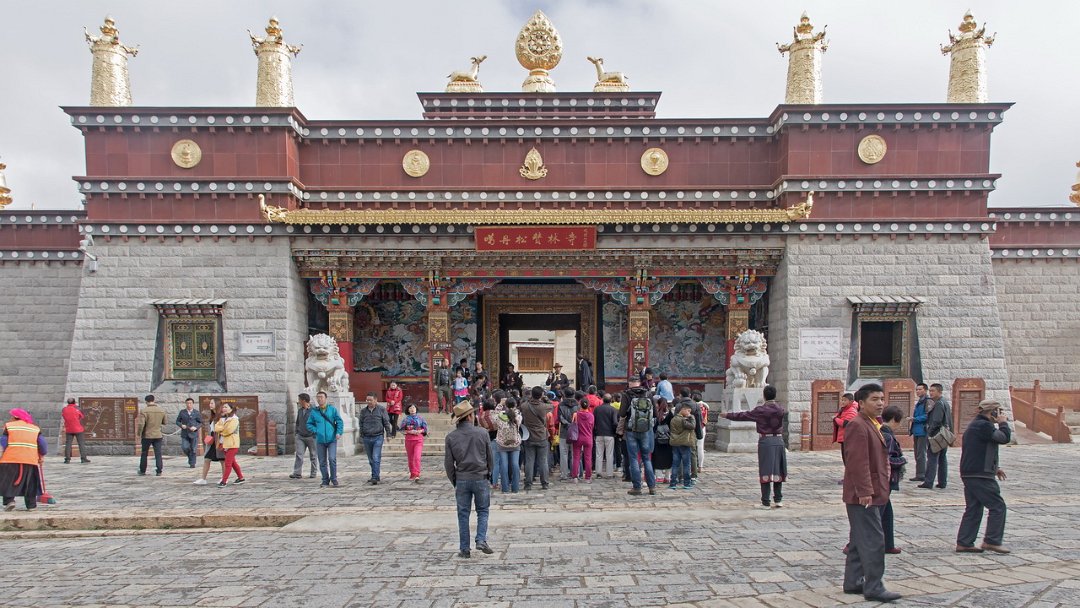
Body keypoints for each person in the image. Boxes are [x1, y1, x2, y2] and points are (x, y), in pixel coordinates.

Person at [841, 383, 901, 603]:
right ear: (862, 403)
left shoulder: (872, 423)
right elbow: (857, 461)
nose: (880, 404)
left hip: (873, 490)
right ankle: (874, 586)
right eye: (875, 399)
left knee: (859, 538)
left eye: (881, 399)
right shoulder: (858, 425)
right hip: (864, 494)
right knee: (874, 539)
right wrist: (865, 491)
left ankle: (853, 581)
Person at [956, 399, 1012, 554]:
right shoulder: (983, 425)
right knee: (997, 506)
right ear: (992, 412)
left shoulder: (976, 425)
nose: (1000, 414)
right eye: (998, 411)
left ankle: (965, 542)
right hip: (979, 474)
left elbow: (981, 450)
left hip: (972, 472)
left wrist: (995, 468)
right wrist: (1003, 424)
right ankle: (992, 541)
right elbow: (1003, 438)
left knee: (974, 508)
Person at [444, 402, 494, 558]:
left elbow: (448, 463)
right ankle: (480, 539)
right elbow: (490, 458)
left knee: (463, 514)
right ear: (471, 416)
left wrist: (455, 480)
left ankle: (464, 548)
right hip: (480, 476)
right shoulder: (482, 433)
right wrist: (488, 474)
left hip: (462, 478)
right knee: (483, 511)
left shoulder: (451, 437)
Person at [723, 385, 787, 507]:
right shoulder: (780, 409)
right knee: (778, 469)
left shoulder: (761, 410)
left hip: (766, 441)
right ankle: (778, 499)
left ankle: (766, 501)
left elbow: (743, 416)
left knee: (766, 469)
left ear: (764, 396)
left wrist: (727, 415)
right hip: (779, 441)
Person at [1, 409, 46, 511]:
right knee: (30, 483)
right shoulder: (35, 429)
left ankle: (9, 501)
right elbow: (43, 445)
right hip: (29, 460)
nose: (10, 418)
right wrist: (42, 455)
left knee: (8, 481)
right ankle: (31, 505)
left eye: (11, 416)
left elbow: (3, 443)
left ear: (15, 417)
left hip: (10, 459)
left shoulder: (9, 426)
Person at [620, 377, 657, 496]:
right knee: (647, 459)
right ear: (639, 383)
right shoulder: (648, 393)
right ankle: (652, 487)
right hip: (646, 430)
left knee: (634, 459)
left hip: (631, 430)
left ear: (630, 384)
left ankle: (637, 487)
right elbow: (655, 413)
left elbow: (621, 413)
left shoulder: (626, 394)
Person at [880, 405, 908, 554]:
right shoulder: (887, 436)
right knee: (878, 514)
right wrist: (902, 460)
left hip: (885, 479)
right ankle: (855, 543)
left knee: (886, 514)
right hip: (886, 479)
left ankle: (888, 544)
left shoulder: (881, 432)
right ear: (893, 420)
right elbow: (887, 459)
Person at [308, 390, 344, 487]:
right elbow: (309, 424)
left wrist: (338, 432)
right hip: (320, 440)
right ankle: (325, 480)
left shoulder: (332, 410)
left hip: (331, 439)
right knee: (322, 461)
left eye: (321, 397)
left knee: (332, 459)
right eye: (318, 397)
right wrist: (316, 430)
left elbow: (339, 422)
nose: (319, 399)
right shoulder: (314, 411)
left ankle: (334, 478)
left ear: (326, 398)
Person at [919, 383, 952, 489]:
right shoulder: (945, 402)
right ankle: (942, 482)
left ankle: (928, 481)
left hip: (937, 435)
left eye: (933, 391)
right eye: (930, 391)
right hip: (944, 434)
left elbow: (936, 420)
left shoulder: (938, 403)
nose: (931, 393)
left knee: (932, 458)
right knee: (942, 458)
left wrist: (929, 431)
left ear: (939, 391)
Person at [519, 386, 553, 492]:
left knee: (529, 461)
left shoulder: (524, 406)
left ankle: (528, 483)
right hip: (541, 436)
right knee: (543, 461)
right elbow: (552, 406)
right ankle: (544, 483)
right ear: (541, 395)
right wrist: (546, 399)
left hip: (529, 436)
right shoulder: (543, 407)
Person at [357, 392, 390, 485]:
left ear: (375, 400)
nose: (369, 402)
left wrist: (388, 434)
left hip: (378, 436)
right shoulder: (363, 411)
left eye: (370, 400)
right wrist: (362, 434)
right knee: (371, 459)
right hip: (367, 437)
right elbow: (361, 423)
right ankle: (375, 475)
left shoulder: (381, 410)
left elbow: (386, 422)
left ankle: (374, 477)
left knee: (376, 457)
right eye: (367, 400)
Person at [494, 398, 522, 493]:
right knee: (515, 465)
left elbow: (494, 416)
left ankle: (505, 487)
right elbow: (518, 416)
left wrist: (500, 404)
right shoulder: (517, 416)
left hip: (502, 443)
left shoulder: (500, 416)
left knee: (504, 465)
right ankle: (515, 487)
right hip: (515, 443)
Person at [214, 403, 245, 487]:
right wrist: (222, 429)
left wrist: (221, 430)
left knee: (228, 463)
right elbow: (216, 427)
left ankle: (224, 481)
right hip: (224, 443)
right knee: (233, 462)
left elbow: (228, 431)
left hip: (232, 444)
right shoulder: (223, 418)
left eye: (226, 407)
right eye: (223, 407)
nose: (224, 408)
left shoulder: (234, 419)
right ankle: (241, 477)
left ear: (231, 409)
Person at [193, 400, 224, 485]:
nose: (210, 405)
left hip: (219, 440)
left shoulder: (221, 416)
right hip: (212, 440)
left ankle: (224, 478)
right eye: (210, 403)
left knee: (222, 460)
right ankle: (203, 478)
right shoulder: (213, 416)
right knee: (207, 459)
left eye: (212, 403)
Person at [136, 394, 166, 477]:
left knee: (144, 453)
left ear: (146, 401)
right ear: (154, 400)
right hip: (158, 435)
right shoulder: (161, 410)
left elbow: (141, 424)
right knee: (158, 453)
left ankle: (142, 470)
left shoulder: (144, 411)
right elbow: (165, 422)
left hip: (147, 435)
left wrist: (139, 434)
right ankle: (159, 470)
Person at [669, 402, 696, 490]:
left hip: (675, 443)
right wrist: (691, 417)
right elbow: (692, 426)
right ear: (683, 410)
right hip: (684, 443)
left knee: (675, 464)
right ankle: (687, 483)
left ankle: (673, 482)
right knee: (686, 464)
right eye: (688, 411)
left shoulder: (673, 419)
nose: (689, 412)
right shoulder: (684, 420)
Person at [290, 393, 317, 479]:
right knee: (299, 454)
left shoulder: (314, 411)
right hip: (300, 436)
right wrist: (296, 433)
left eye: (299, 400)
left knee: (313, 455)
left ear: (304, 400)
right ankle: (297, 473)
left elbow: (318, 423)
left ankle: (313, 472)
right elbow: (298, 422)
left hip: (311, 437)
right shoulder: (300, 410)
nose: (298, 401)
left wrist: (315, 433)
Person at [400, 403, 429, 482]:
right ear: (408, 410)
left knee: (417, 457)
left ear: (416, 409)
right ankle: (412, 473)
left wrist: (420, 431)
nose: (412, 409)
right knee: (410, 458)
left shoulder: (421, 418)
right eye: (410, 408)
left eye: (413, 408)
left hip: (418, 440)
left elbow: (425, 429)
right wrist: (409, 431)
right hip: (409, 440)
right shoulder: (405, 420)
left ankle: (417, 473)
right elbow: (401, 430)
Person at [592, 394, 618, 479]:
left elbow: (593, 422)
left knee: (599, 454)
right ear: (611, 400)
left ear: (603, 399)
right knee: (609, 454)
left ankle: (598, 472)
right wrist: (615, 432)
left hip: (599, 433)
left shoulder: (597, 409)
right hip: (609, 434)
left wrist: (594, 432)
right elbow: (615, 422)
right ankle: (609, 473)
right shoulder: (613, 410)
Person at [908, 383, 929, 482]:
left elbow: (927, 415)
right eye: (916, 389)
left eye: (920, 389)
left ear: (925, 390)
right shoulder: (919, 402)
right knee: (917, 453)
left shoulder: (927, 402)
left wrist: (915, 419)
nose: (918, 391)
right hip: (916, 430)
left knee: (921, 453)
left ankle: (921, 474)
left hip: (923, 431)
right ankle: (919, 473)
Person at [571, 398, 595, 482]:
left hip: (577, 437)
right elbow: (592, 427)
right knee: (588, 458)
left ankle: (575, 476)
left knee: (576, 457)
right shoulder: (591, 416)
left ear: (580, 405)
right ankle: (588, 477)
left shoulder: (576, 414)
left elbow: (573, 425)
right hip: (588, 437)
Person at [557, 388, 579, 480]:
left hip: (564, 431)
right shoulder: (577, 405)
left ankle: (563, 474)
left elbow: (560, 418)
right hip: (575, 431)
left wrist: (567, 424)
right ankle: (575, 473)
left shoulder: (561, 405)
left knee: (564, 453)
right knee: (575, 454)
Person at [61, 397, 91, 464]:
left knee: (68, 444)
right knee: (81, 443)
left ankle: (67, 459)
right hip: (78, 428)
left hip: (69, 429)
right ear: (74, 402)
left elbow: (64, 416)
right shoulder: (77, 408)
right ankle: (83, 458)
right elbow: (82, 416)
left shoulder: (64, 409)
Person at [176, 397, 202, 469]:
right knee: (185, 447)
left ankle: (192, 463)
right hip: (185, 433)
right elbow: (177, 421)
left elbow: (200, 423)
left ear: (193, 404)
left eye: (190, 403)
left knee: (193, 449)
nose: (189, 405)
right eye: (187, 403)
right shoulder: (182, 412)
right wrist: (181, 425)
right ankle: (190, 457)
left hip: (194, 433)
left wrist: (196, 427)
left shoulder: (196, 412)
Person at [652, 398, 673, 484]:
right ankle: (667, 477)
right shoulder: (670, 414)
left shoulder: (656, 414)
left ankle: (659, 476)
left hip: (657, 439)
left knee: (657, 457)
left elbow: (653, 427)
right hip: (668, 439)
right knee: (668, 458)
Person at [694, 392, 709, 474]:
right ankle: (700, 466)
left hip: (694, 428)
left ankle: (692, 466)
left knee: (692, 448)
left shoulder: (693, 407)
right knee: (700, 448)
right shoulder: (705, 407)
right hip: (702, 428)